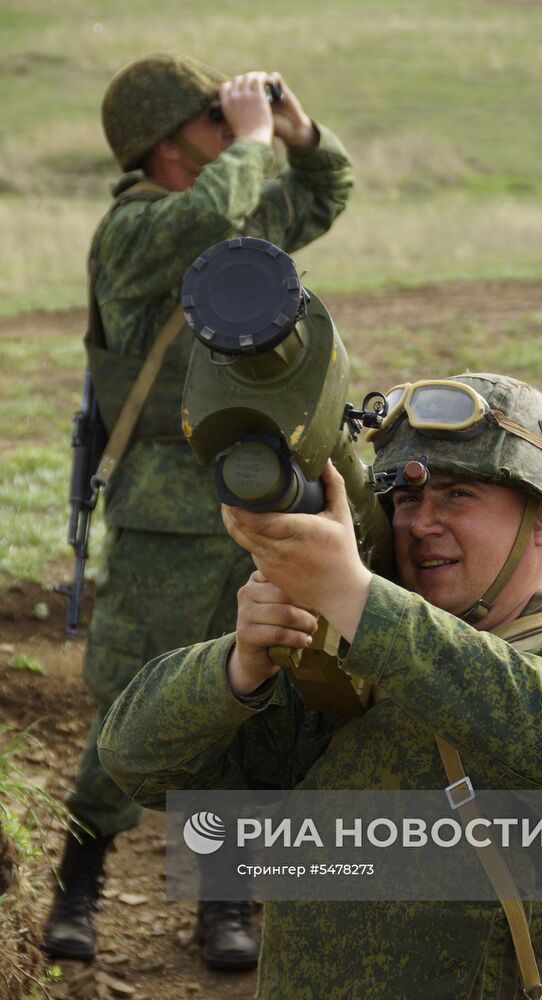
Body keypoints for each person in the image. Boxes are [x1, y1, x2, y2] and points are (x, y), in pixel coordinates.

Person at [98, 374, 542, 998]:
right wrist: (240, 666)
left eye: (459, 495)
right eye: (406, 500)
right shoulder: (351, 671)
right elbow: (142, 766)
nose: (422, 524)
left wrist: (358, 600)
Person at [43, 52, 354, 968]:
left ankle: (224, 900)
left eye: (232, 118)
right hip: (164, 516)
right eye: (213, 119)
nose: (231, 126)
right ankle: (76, 886)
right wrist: (253, 143)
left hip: (259, 498)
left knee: (251, 695)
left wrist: (295, 135)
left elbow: (326, 194)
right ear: (166, 144)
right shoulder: (137, 231)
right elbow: (209, 212)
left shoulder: (234, 208)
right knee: (133, 696)